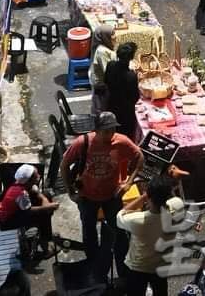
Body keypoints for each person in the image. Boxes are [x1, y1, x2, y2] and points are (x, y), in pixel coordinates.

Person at [59, 111, 143, 282]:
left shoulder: (121, 141)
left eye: (112, 130)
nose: (110, 134)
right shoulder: (83, 143)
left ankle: (123, 272)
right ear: (96, 130)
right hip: (87, 198)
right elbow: (64, 165)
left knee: (119, 233)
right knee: (89, 233)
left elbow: (139, 157)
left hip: (112, 197)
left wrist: (128, 182)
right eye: (106, 131)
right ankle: (95, 270)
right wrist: (70, 192)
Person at [116, 173, 181, 296]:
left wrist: (143, 197)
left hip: (138, 267)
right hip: (161, 265)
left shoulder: (137, 220)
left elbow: (120, 215)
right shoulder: (177, 211)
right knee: (161, 291)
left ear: (149, 196)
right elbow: (175, 202)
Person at [0, 165, 59, 249]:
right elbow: (28, 211)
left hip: (16, 210)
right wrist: (48, 207)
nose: (39, 176)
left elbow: (36, 191)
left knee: (46, 195)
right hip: (9, 220)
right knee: (44, 215)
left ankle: (46, 235)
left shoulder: (21, 184)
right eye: (37, 176)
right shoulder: (21, 193)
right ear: (29, 181)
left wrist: (45, 201)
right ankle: (45, 245)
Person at [105, 42, 142, 142]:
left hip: (111, 106)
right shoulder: (131, 76)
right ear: (131, 57)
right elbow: (135, 97)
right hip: (126, 113)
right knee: (126, 137)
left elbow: (106, 82)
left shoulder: (110, 65)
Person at [89, 25, 117, 115]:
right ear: (104, 36)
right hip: (102, 89)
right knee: (103, 115)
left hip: (102, 86)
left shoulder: (106, 47)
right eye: (112, 34)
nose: (115, 36)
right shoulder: (102, 51)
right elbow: (109, 72)